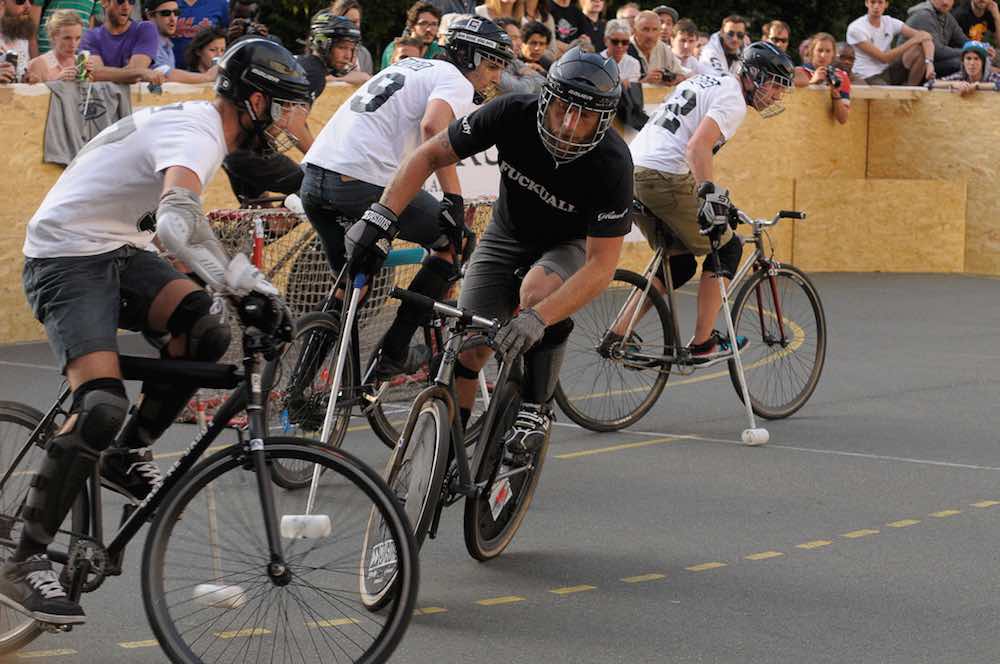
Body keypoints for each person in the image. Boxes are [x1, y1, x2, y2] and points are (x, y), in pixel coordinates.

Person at [0, 37, 311, 626]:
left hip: (117, 249)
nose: (289, 122)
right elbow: (176, 221)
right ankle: (24, 559)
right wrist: (240, 284)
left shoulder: (210, 131)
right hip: (65, 258)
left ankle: (124, 454)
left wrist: (233, 291)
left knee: (205, 331)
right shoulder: (198, 131)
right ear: (254, 101)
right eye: (285, 107)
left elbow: (182, 228)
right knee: (99, 407)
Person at [344, 46, 631, 454]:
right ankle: (451, 445)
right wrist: (381, 215)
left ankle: (536, 406)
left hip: (569, 244)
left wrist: (538, 319)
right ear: (545, 98)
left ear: (601, 121)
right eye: (562, 108)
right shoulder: (511, 113)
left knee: (536, 293)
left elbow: (602, 267)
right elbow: (428, 154)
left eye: (584, 117)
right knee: (473, 342)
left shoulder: (612, 163)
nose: (568, 125)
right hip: (507, 235)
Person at [299, 17, 511, 379]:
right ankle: (394, 352)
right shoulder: (454, 78)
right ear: (469, 58)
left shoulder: (411, 65)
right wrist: (453, 199)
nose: (494, 79)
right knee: (453, 244)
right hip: (360, 180)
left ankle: (299, 385)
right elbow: (434, 130)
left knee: (349, 289)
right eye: (492, 66)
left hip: (316, 177)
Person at [625, 42, 794, 369]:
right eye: (774, 85)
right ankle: (703, 344)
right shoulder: (733, 99)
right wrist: (707, 193)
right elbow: (696, 147)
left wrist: (708, 194)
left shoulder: (703, 81)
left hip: (633, 171)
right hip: (661, 176)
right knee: (727, 249)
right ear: (753, 76)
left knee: (681, 263)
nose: (775, 95)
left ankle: (620, 334)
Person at [846, 0, 934, 85]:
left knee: (919, 49)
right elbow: (884, 58)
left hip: (887, 70)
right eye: (872, 2)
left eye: (880, 2)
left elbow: (926, 37)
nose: (876, 6)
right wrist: (913, 40)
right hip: (867, 76)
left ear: (886, 4)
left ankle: (912, 89)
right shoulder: (856, 28)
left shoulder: (889, 21)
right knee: (887, 96)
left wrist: (929, 63)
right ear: (866, 3)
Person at [79, 0, 163, 85]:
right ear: (104, 2)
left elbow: (135, 75)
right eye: (120, 1)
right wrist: (139, 72)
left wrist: (104, 72)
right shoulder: (90, 36)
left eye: (131, 1)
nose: (126, 7)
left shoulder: (145, 29)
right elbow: (94, 73)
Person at [146, 0, 217, 83]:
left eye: (176, 13)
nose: (173, 19)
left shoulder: (166, 44)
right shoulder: (147, 40)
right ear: (150, 15)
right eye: (166, 13)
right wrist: (207, 77)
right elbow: (165, 74)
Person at [794, 32, 851, 124]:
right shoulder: (799, 71)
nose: (823, 55)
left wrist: (835, 93)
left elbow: (842, 119)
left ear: (833, 54)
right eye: (820, 50)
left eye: (828, 51)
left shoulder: (841, 76)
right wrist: (812, 82)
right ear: (812, 52)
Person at [904, 0, 969, 78]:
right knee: (961, 64)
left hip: (931, 63)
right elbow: (937, 52)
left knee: (972, 61)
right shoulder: (923, 16)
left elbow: (963, 40)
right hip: (906, 68)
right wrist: (968, 52)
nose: (945, 2)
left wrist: (982, 48)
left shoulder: (947, 16)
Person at [25, 8, 93, 82]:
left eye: (77, 38)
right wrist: (56, 82)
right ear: (53, 36)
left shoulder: (80, 63)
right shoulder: (38, 64)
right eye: (67, 38)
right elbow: (33, 93)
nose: (73, 44)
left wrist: (87, 82)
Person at [306, 8, 368, 84]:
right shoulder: (304, 73)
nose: (347, 56)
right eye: (342, 47)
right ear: (321, 44)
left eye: (351, 49)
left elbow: (365, 78)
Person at [630, 9, 687, 85]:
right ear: (634, 31)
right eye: (645, 29)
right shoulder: (623, 47)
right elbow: (618, 91)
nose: (650, 35)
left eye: (655, 29)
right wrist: (645, 82)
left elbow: (682, 77)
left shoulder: (662, 48)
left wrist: (670, 78)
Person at [381, 1, 443, 70]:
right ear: (412, 26)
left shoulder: (439, 50)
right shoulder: (398, 48)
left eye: (434, 24)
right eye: (423, 23)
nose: (429, 29)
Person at [172, 0, 228, 68]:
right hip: (168, 69)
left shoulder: (220, 4)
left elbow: (224, 37)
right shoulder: (167, 3)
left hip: (207, 70)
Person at [31, 0, 99, 55]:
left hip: (76, 57)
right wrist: (36, 59)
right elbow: (31, 33)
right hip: (47, 53)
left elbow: (90, 29)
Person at [496, 16, 546, 92]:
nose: (519, 43)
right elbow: (521, 90)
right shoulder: (492, 65)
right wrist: (528, 74)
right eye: (513, 38)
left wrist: (522, 79)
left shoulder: (513, 60)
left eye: (519, 38)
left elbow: (544, 84)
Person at [929, 39, 1000, 92]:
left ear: (983, 62)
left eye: (976, 59)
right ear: (963, 62)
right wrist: (954, 84)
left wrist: (977, 86)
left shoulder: (992, 76)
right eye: (968, 58)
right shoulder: (960, 76)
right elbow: (929, 84)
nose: (972, 63)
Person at [330, 0, 373, 74]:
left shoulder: (364, 53)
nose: (354, 26)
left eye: (356, 21)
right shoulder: (326, 50)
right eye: (349, 21)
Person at [1, 0, 34, 82]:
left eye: (31, 0)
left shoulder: (22, 36)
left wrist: (27, 80)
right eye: (20, 1)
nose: (28, 6)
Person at [600, 18, 638, 84]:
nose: (620, 46)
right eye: (615, 41)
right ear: (605, 40)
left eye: (625, 42)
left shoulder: (633, 63)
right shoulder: (594, 62)